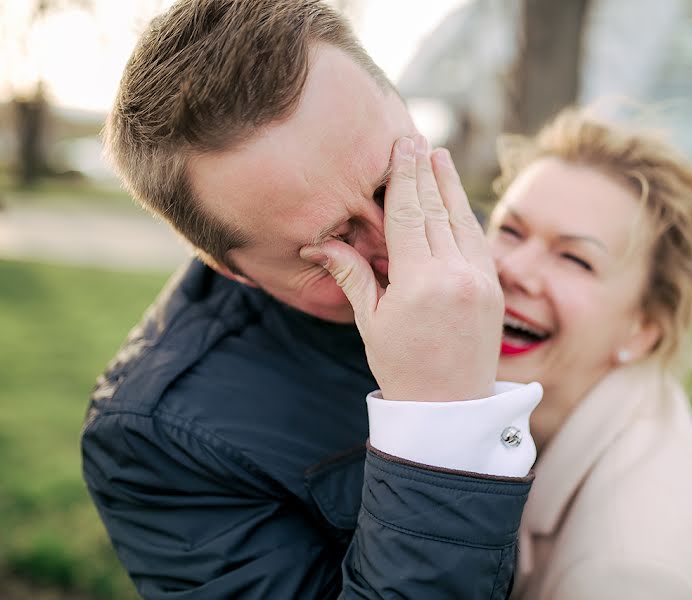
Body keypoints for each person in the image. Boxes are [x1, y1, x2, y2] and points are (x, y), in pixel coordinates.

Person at [81, 1, 542, 598]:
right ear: (233, 270)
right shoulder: (160, 446)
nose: (402, 247)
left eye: (392, 184)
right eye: (335, 245)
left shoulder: (509, 238)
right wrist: (438, 423)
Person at [486, 108, 692, 599]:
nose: (514, 268)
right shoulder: (547, 430)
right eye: (511, 231)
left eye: (575, 258)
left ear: (643, 329)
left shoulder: (627, 570)